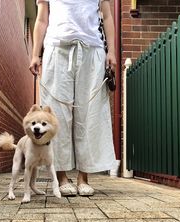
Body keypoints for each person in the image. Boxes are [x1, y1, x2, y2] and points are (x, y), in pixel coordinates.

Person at [29, 0, 117, 196]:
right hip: (56, 48)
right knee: (57, 114)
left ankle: (83, 177)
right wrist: (36, 54)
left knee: (90, 113)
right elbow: (42, 19)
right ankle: (61, 176)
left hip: (92, 49)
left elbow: (107, 16)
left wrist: (111, 51)